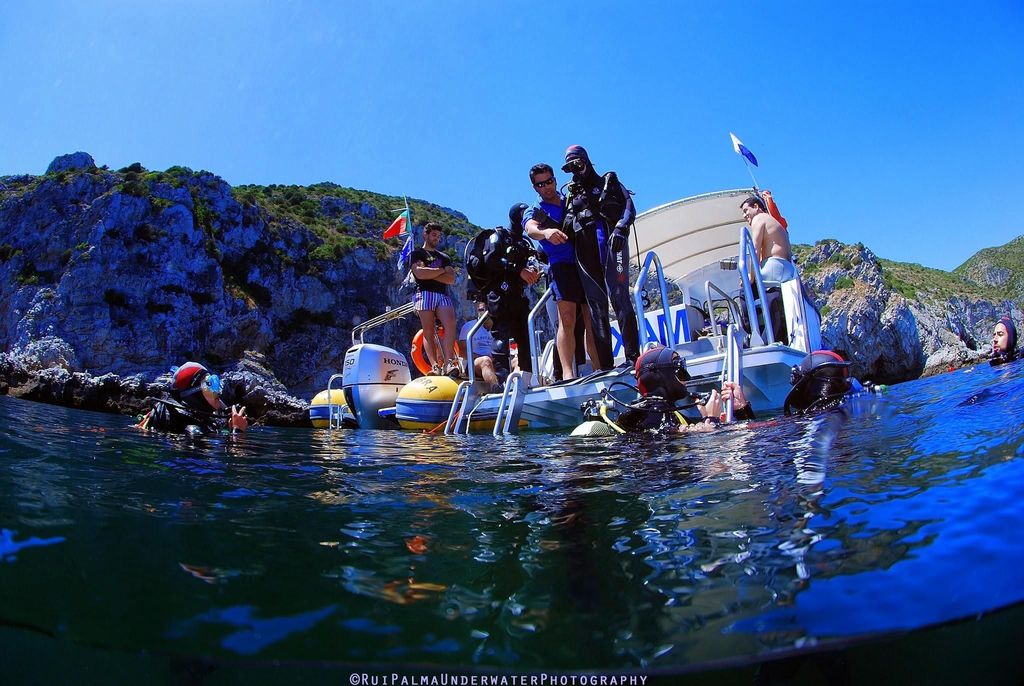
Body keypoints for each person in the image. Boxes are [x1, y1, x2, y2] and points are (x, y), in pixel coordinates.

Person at [561, 145, 640, 368]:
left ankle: (632, 357)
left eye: (578, 163)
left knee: (620, 297)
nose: (575, 169)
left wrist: (621, 228)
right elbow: (565, 226)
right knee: (596, 306)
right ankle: (606, 366)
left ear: (586, 160)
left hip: (612, 245)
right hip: (585, 253)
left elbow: (629, 206)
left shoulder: (608, 182)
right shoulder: (572, 194)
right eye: (570, 167)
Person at [524, 163, 600, 380]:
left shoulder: (571, 199)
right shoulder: (535, 209)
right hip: (561, 266)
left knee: (591, 319)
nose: (546, 187)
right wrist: (545, 232)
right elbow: (530, 228)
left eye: (549, 181)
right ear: (535, 187)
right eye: (540, 184)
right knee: (567, 319)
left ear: (555, 180)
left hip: (585, 262)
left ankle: (599, 368)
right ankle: (567, 373)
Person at [576, 346, 755, 435]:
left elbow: (750, 432)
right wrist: (711, 420)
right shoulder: (648, 416)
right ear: (662, 375)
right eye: (680, 371)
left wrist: (741, 410)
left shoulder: (670, 413)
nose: (687, 378)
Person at [468, 203, 541, 382]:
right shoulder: (499, 236)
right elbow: (490, 259)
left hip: (519, 296)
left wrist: (534, 272)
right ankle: (501, 381)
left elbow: (534, 262)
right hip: (499, 295)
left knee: (525, 337)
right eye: (523, 215)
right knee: (501, 336)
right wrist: (518, 270)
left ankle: (526, 379)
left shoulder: (524, 243)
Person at [136, 361, 248, 435]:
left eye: (216, 383)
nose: (217, 391)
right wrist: (237, 431)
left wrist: (229, 429)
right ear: (194, 393)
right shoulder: (192, 430)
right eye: (210, 385)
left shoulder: (193, 418)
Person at [410, 222, 459, 375]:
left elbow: (451, 278)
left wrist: (429, 272)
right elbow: (419, 274)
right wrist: (441, 270)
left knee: (450, 323)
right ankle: (434, 366)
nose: (436, 238)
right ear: (425, 235)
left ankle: (449, 362)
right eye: (434, 235)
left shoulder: (444, 257)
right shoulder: (416, 254)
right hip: (424, 293)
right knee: (428, 330)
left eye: (438, 236)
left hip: (442, 294)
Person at [740, 195, 795, 282]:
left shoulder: (758, 218)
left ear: (756, 206)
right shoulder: (772, 221)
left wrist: (751, 277)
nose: (744, 216)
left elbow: (755, 250)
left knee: (746, 286)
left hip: (774, 267)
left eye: (745, 210)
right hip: (788, 269)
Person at [458, 299, 501, 391]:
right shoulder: (468, 327)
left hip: (498, 360)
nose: (482, 312)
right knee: (486, 361)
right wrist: (485, 357)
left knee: (516, 361)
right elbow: (463, 353)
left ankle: (520, 388)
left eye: (484, 309)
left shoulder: (500, 327)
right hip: (474, 362)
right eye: (480, 310)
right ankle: (496, 389)